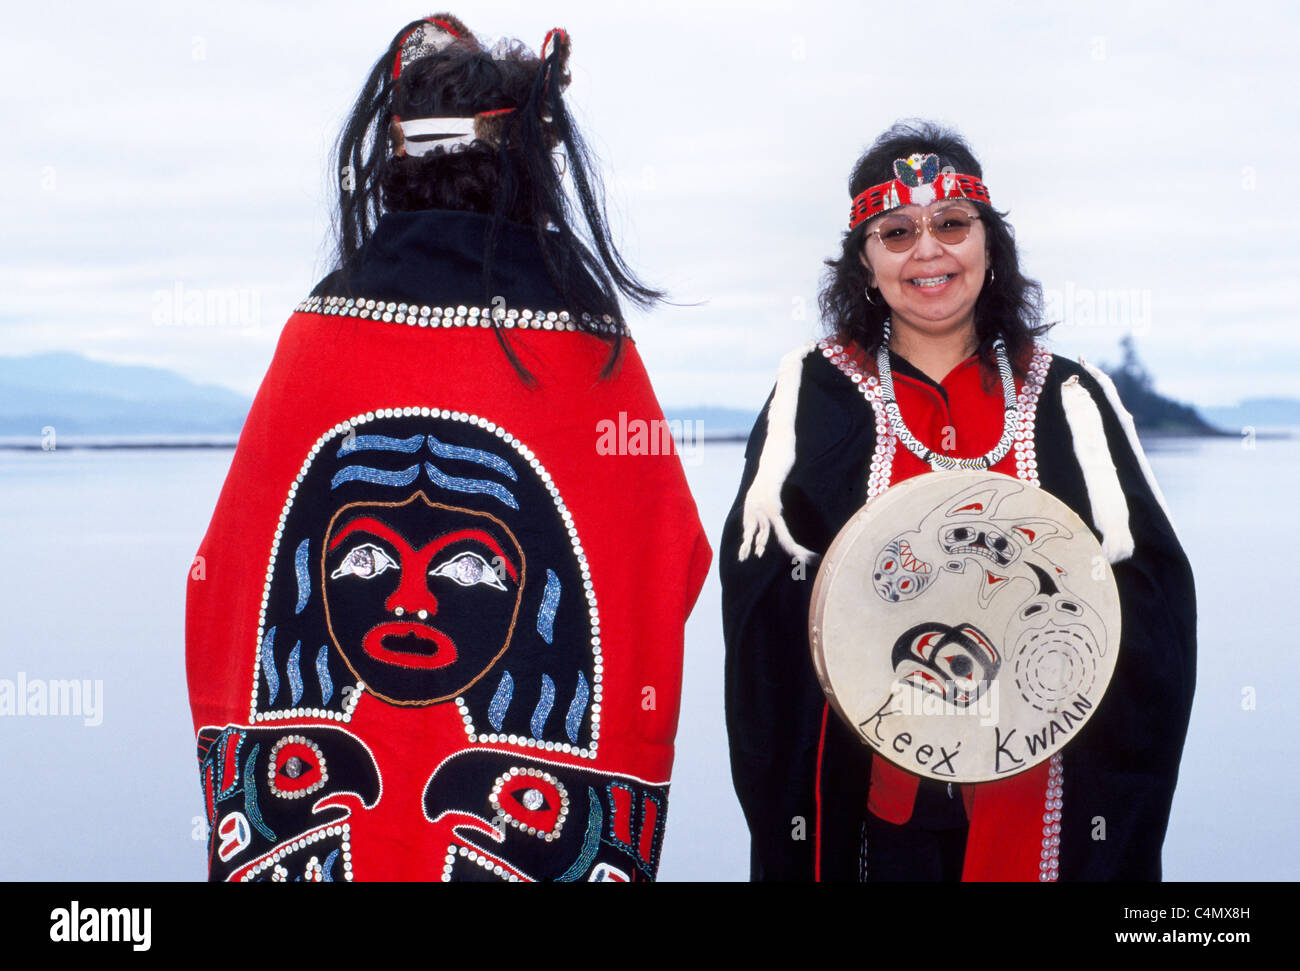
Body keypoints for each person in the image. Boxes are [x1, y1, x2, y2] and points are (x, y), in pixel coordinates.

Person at [186, 13, 711, 883]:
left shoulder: (316, 338)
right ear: (527, 168)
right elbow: (668, 560)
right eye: (364, 558)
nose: (414, 600)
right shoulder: (587, 350)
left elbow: (228, 573)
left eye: (468, 568)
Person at [721, 120, 1196, 881]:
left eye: (951, 224)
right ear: (865, 260)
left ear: (988, 244)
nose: (928, 251)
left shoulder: (1070, 398)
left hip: (1044, 798)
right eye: (897, 231)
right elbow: (763, 617)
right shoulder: (813, 398)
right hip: (880, 813)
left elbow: (1152, 604)